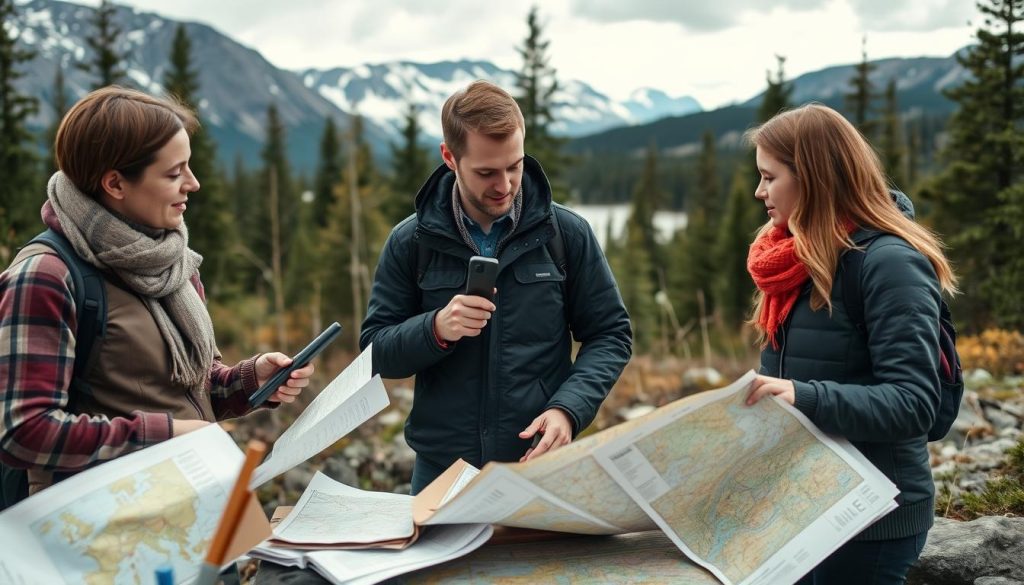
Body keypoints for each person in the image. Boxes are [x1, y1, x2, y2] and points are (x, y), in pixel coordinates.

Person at [0, 87, 313, 507]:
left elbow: (186, 390)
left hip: (189, 510)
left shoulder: (172, 264)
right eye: (173, 173)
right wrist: (163, 435)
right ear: (115, 183)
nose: (193, 183)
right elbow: (22, 432)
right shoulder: (46, 276)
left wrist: (249, 379)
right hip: (99, 537)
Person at [360, 80, 632, 494]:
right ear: (450, 157)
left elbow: (610, 335)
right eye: (486, 172)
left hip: (540, 464)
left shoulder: (567, 234)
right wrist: (435, 328)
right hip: (441, 471)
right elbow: (376, 353)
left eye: (515, 166)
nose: (505, 185)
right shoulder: (411, 242)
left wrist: (568, 410)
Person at [742, 103, 957, 584]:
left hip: (873, 519)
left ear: (814, 178)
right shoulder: (794, 256)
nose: (759, 192)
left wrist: (802, 395)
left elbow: (914, 404)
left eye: (769, 177)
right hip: (806, 504)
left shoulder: (890, 263)